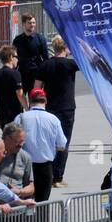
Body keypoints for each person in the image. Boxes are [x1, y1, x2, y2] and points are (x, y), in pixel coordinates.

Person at [34, 35, 78, 188]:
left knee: (49, 142)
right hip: (67, 107)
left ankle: (48, 174)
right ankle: (58, 177)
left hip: (49, 107)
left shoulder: (45, 65)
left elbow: (36, 88)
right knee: (63, 142)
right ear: (65, 48)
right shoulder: (71, 64)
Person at [15, 89, 67, 204]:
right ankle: (43, 221)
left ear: (30, 101)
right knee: (43, 202)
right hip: (45, 167)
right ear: (46, 101)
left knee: (26, 201)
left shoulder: (21, 118)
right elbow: (62, 145)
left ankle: (28, 221)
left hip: (25, 167)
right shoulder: (53, 119)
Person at [0, 45, 27, 128]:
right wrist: (27, 110)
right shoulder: (15, 74)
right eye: (16, 56)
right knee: (17, 139)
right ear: (10, 57)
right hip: (14, 114)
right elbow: (20, 94)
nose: (17, 59)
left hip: (1, 115)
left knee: (7, 138)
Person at [12, 14, 49, 96]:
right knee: (19, 100)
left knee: (34, 99)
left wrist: (45, 75)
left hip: (36, 74)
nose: (32, 25)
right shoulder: (17, 40)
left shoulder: (40, 39)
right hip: (22, 74)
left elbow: (46, 58)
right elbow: (13, 58)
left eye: (33, 22)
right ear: (24, 24)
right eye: (30, 23)